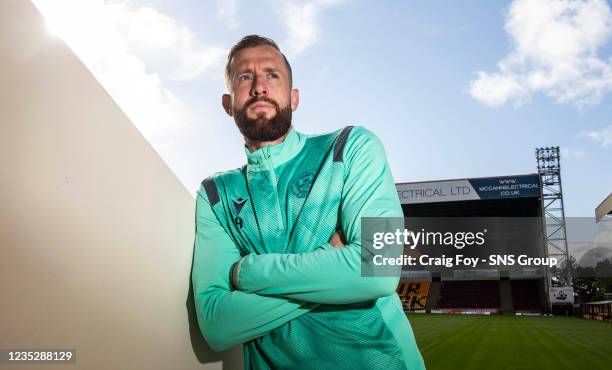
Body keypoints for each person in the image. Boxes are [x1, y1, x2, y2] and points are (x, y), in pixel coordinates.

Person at [192, 35, 425, 370]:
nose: (260, 87)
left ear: (294, 97)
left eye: (272, 75)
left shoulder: (354, 146)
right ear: (228, 103)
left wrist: (248, 273)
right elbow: (217, 324)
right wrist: (332, 263)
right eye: (245, 77)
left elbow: (380, 271)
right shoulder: (215, 194)